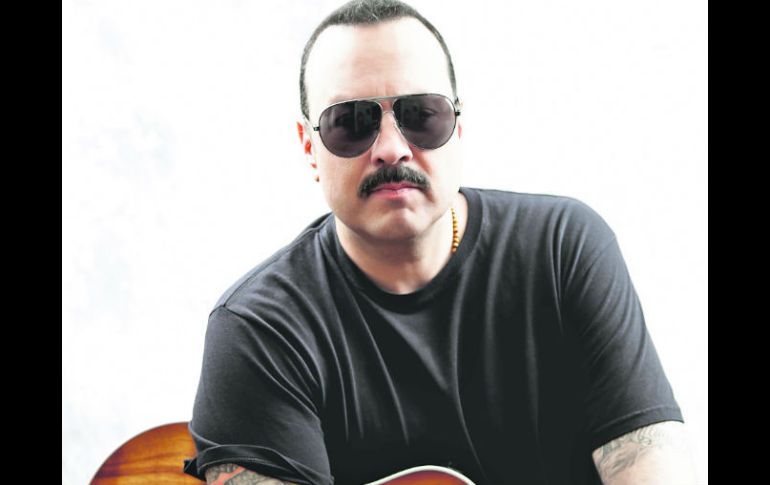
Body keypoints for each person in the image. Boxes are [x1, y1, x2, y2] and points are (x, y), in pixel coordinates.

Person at [183, 1, 696, 483]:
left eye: (421, 114)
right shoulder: (258, 330)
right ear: (308, 147)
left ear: (458, 126)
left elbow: (649, 461)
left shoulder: (563, 250)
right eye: (351, 122)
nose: (391, 149)